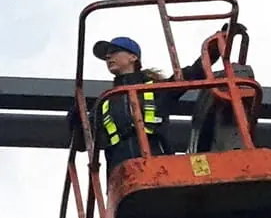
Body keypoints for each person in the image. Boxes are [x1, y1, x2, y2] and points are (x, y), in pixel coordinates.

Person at [69, 33, 217, 177]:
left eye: (114, 52)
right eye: (106, 55)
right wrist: (75, 118)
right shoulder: (105, 102)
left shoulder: (157, 89)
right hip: (121, 174)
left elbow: (193, 73)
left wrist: (215, 48)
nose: (108, 57)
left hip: (160, 166)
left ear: (133, 57)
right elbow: (82, 143)